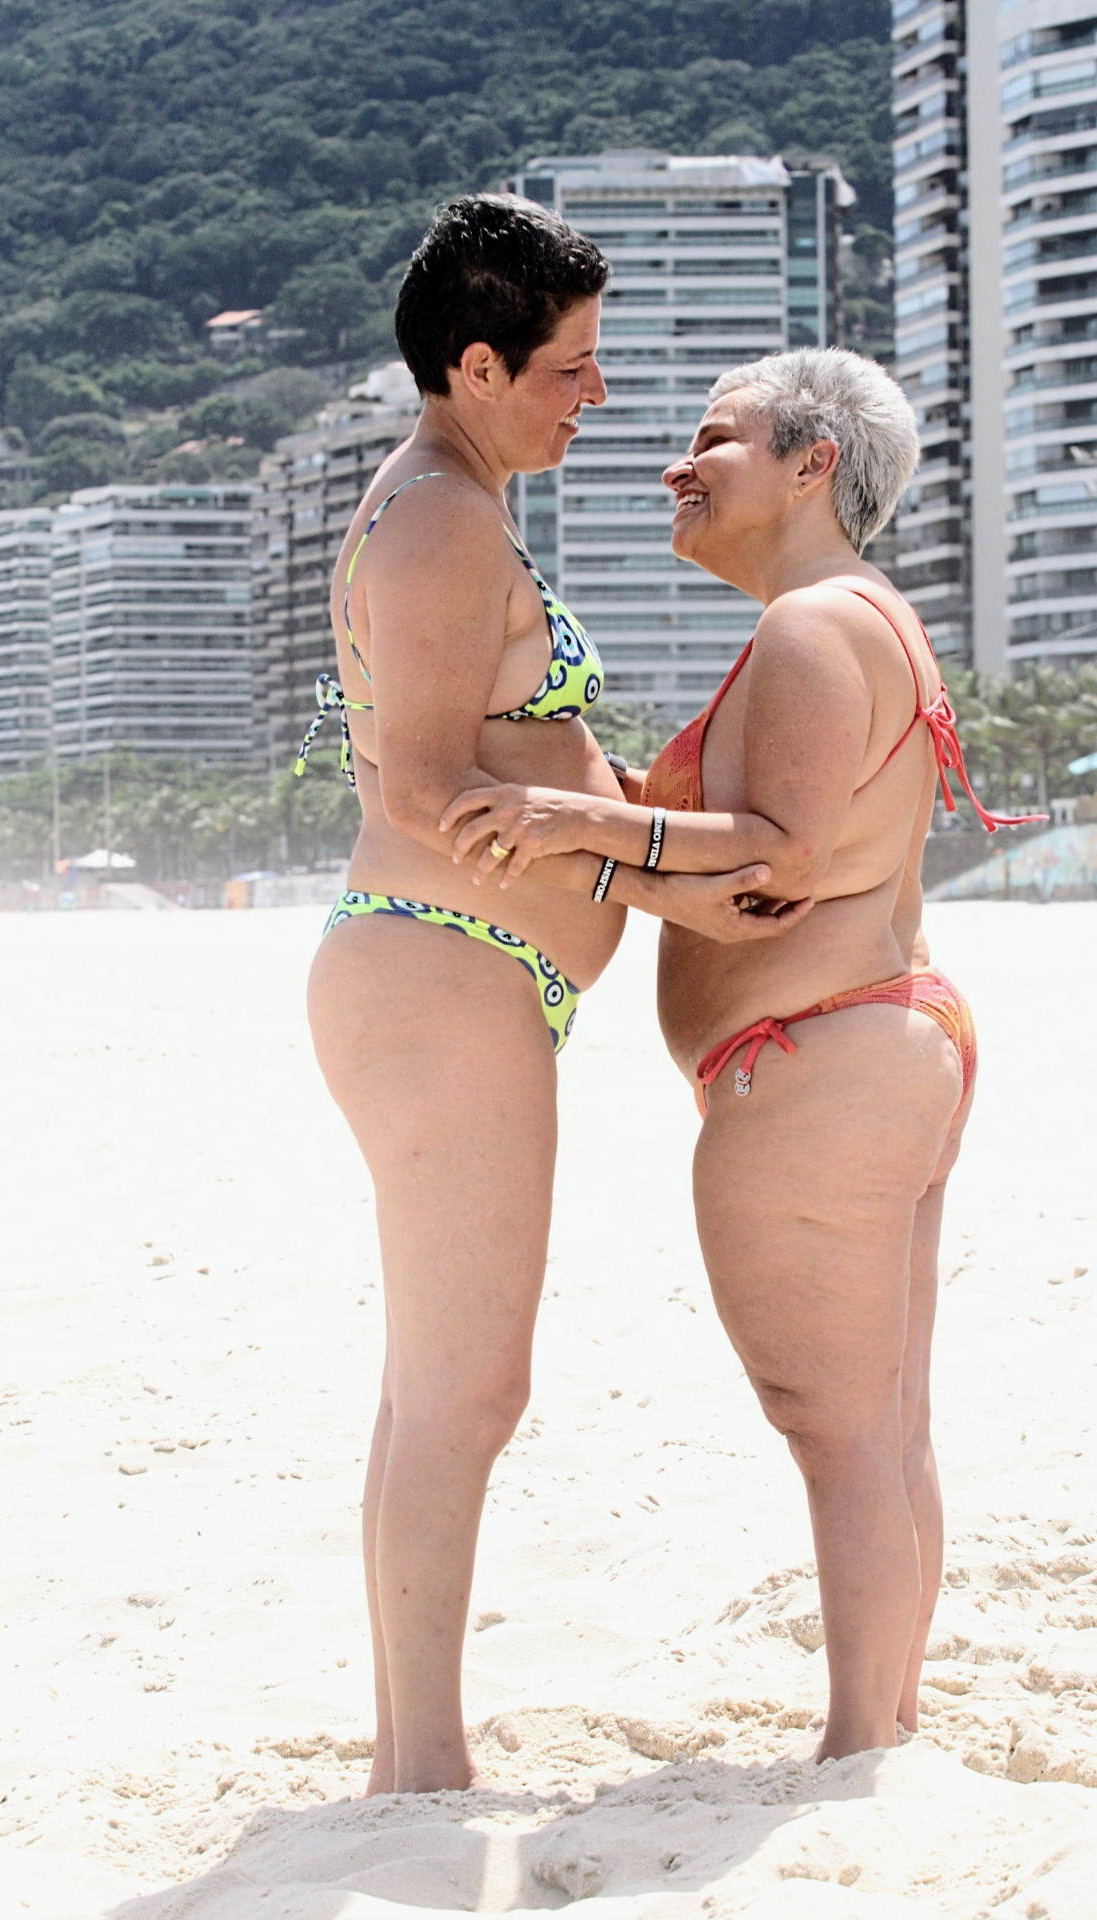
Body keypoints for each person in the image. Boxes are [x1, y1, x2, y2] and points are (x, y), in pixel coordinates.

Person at [442, 347, 1041, 1761]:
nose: (677, 464)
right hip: (877, 1037)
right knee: (883, 1421)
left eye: (714, 439)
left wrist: (580, 827)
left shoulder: (818, 626)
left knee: (833, 1423)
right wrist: (607, 840)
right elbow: (771, 869)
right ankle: (881, 1720)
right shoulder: (854, 620)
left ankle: (861, 1746)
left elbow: (779, 854)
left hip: (822, 1056)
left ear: (813, 463)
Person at [301, 196, 794, 1796]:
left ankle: (412, 1750)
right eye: (572, 369)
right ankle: (421, 1769)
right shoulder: (439, 516)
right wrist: (659, 873)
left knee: (440, 1381)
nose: (597, 398)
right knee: (466, 1384)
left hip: (453, 974)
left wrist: (647, 855)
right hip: (444, 969)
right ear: (477, 362)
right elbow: (442, 788)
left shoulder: (449, 502)